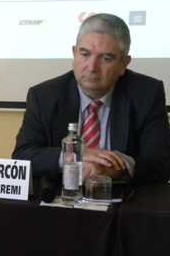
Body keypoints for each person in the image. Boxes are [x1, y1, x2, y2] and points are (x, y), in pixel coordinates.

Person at [12, 13, 170, 184]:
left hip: (121, 203)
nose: (92, 67)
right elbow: (22, 157)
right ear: (74, 54)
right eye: (85, 54)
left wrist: (110, 171)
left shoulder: (146, 94)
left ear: (124, 64)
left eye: (106, 58)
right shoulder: (44, 96)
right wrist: (74, 155)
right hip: (61, 201)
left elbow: (160, 165)